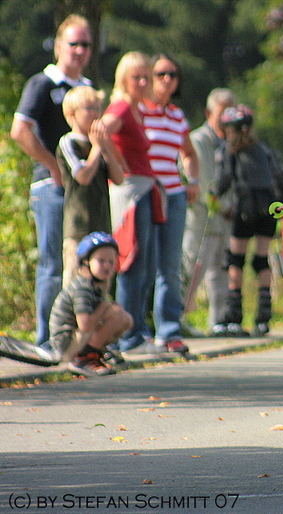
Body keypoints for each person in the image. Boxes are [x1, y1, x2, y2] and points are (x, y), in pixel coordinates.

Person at [11, 14, 93, 346]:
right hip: (52, 186)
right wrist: (52, 165)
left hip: (84, 190)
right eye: (74, 43)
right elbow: (20, 131)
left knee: (83, 262)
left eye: (86, 44)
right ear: (59, 46)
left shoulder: (86, 88)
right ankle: (46, 340)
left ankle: (77, 336)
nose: (80, 50)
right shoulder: (43, 84)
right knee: (53, 262)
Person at [101, 51, 162, 354]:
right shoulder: (123, 106)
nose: (141, 82)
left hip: (144, 189)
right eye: (135, 77)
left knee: (146, 266)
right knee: (132, 263)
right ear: (123, 79)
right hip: (130, 193)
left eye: (145, 77)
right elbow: (99, 130)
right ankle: (129, 336)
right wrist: (115, 161)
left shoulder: (137, 108)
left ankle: (136, 330)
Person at [139, 54, 199, 354]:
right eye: (161, 73)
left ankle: (169, 331)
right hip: (148, 192)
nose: (167, 80)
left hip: (174, 194)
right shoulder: (139, 110)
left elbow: (188, 153)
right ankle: (138, 331)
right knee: (142, 263)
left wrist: (193, 181)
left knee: (170, 266)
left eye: (173, 75)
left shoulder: (176, 115)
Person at [212, 104, 283, 337]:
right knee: (261, 260)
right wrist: (281, 206)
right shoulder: (265, 149)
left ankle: (234, 317)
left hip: (244, 206)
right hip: (268, 207)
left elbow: (223, 180)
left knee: (236, 259)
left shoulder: (230, 150)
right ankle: (263, 318)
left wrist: (212, 195)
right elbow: (282, 179)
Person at [57, 86, 125, 282]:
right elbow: (83, 176)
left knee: (101, 282)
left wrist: (105, 148)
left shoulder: (100, 143)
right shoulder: (69, 142)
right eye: (89, 109)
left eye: (98, 108)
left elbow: (119, 178)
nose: (96, 114)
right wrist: (96, 148)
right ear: (72, 114)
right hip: (79, 225)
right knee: (75, 278)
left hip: (101, 223)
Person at [183, 88, 237, 335]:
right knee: (194, 266)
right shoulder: (199, 139)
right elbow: (203, 181)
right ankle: (180, 317)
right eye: (222, 111)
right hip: (201, 216)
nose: (227, 117)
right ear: (208, 112)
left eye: (230, 111)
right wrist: (223, 206)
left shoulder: (231, 141)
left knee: (220, 269)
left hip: (224, 219)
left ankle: (218, 320)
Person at [49, 232, 132, 377]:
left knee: (124, 318)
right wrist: (105, 307)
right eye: (101, 261)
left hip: (77, 338)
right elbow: (85, 325)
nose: (107, 266)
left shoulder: (95, 286)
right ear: (86, 261)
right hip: (65, 343)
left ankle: (95, 352)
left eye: (111, 262)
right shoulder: (82, 288)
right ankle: (84, 358)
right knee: (116, 314)